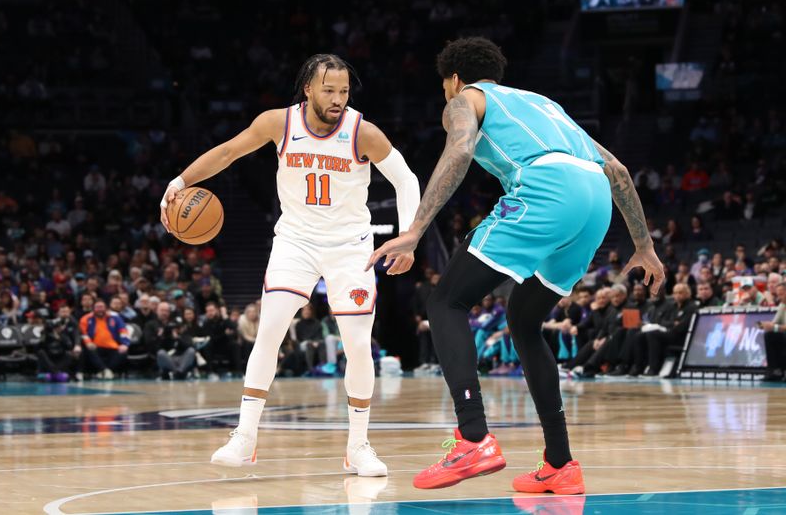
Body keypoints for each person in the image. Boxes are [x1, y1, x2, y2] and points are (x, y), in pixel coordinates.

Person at [368, 37, 664, 493]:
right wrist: (643, 247)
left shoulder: (464, 98)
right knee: (524, 322)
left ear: (452, 79)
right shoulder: (544, 104)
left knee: (446, 302)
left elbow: (461, 149)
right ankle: (561, 464)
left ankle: (472, 437)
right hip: (595, 202)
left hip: (547, 189)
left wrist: (416, 229)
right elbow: (618, 172)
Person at [160, 53, 420, 476]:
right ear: (308, 89)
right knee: (270, 330)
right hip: (295, 241)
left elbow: (406, 178)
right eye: (329, 90)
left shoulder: (362, 132)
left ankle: (359, 446)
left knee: (357, 345)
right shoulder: (278, 123)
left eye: (344, 91)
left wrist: (408, 235)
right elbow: (227, 152)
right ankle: (245, 437)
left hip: (349, 246)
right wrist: (179, 182)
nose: (338, 99)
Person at [79, 298, 130, 380]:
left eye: (102, 307)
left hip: (113, 346)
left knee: (123, 351)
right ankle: (105, 370)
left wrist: (125, 344)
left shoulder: (115, 317)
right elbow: (83, 333)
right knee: (89, 350)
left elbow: (123, 331)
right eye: (97, 307)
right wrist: (88, 342)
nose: (100, 310)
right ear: (93, 309)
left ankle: (106, 371)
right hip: (95, 346)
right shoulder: (85, 318)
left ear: (106, 308)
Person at [762, 283, 786, 381]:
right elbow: (775, 323)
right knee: (769, 335)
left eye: (781, 294)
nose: (779, 297)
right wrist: (767, 325)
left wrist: (774, 327)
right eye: (778, 295)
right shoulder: (782, 305)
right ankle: (775, 371)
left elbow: (777, 327)